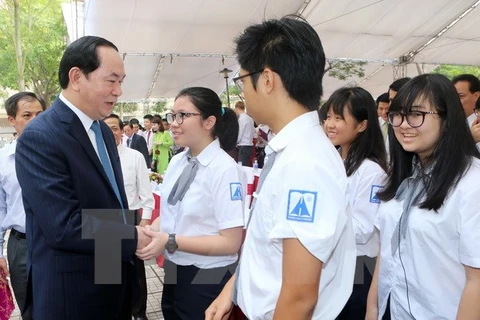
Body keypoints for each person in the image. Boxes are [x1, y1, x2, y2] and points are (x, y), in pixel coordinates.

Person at [206, 16, 356, 320]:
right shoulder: (291, 152)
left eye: (243, 81)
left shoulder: (305, 165)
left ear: (268, 80)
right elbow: (270, 248)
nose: (243, 92)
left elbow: (300, 296)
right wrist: (232, 290)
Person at [14, 36, 151, 320]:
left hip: (112, 278)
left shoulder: (101, 130)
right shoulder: (41, 136)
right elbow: (63, 225)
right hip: (74, 294)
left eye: (121, 81)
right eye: (111, 80)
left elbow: (110, 203)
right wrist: (133, 236)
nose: (119, 91)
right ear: (76, 77)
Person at [366, 74, 480, 320]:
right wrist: (372, 311)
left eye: (417, 114)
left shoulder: (472, 184)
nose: (404, 124)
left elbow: (477, 282)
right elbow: (386, 253)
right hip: (393, 310)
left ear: (447, 118)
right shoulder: (401, 179)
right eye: (398, 115)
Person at [136, 87, 245, 320]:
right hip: (176, 265)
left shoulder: (225, 170)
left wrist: (169, 240)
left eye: (183, 116)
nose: (173, 123)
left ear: (209, 122)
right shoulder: (177, 162)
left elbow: (230, 243)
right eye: (172, 116)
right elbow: (170, 213)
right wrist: (148, 231)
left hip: (209, 272)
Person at [322, 87, 387, 319]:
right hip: (333, 262)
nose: (330, 124)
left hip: (357, 268)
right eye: (328, 116)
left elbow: (362, 230)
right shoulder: (333, 160)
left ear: (361, 125)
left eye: (339, 118)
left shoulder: (371, 172)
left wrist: (320, 218)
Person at [0, 92, 46, 320]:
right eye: (27, 115)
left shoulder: (60, 153)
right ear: (12, 120)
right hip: (20, 245)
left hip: (55, 241)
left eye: (40, 114)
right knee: (29, 307)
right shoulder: (3, 160)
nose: (35, 120)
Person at [104, 113, 155, 320]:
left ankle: (139, 312)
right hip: (105, 219)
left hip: (131, 219)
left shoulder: (134, 157)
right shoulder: (93, 158)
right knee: (109, 273)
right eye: (105, 128)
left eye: (115, 128)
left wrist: (145, 221)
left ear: (122, 130)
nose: (110, 133)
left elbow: (146, 193)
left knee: (136, 272)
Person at [234, 101, 255, 166]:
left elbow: (239, 134)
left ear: (237, 108)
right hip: (250, 145)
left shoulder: (242, 119)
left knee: (243, 167)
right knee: (247, 166)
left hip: (243, 146)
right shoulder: (250, 118)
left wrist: (235, 142)